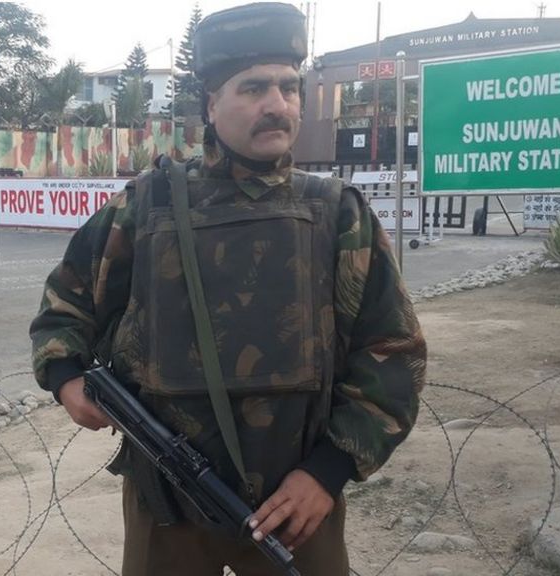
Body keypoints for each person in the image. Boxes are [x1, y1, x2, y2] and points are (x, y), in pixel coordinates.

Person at [29, 3, 427, 574]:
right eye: (254, 88)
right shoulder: (147, 207)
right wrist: (67, 378)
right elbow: (65, 306)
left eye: (289, 87)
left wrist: (328, 471)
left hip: (295, 509)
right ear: (212, 104)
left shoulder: (337, 213)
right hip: (167, 506)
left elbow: (393, 351)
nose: (277, 104)